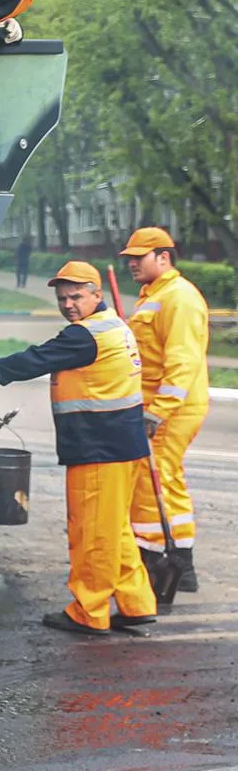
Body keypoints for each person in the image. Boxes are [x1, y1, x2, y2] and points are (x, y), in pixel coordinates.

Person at [0, 262, 156, 635]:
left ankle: (89, 611)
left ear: (97, 294)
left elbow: (36, 359)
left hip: (99, 449)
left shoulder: (85, 336)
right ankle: (136, 602)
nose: (68, 304)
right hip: (123, 445)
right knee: (115, 531)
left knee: (92, 533)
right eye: (62, 298)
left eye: (76, 296)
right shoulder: (113, 326)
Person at [121, 227, 210, 591]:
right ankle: (178, 562)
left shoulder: (180, 298)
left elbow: (182, 362)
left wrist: (159, 411)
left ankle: (163, 558)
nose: (131, 265)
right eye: (128, 259)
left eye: (138, 258)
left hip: (171, 407)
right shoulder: (155, 295)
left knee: (154, 479)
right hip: (159, 404)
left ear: (163, 257)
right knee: (163, 477)